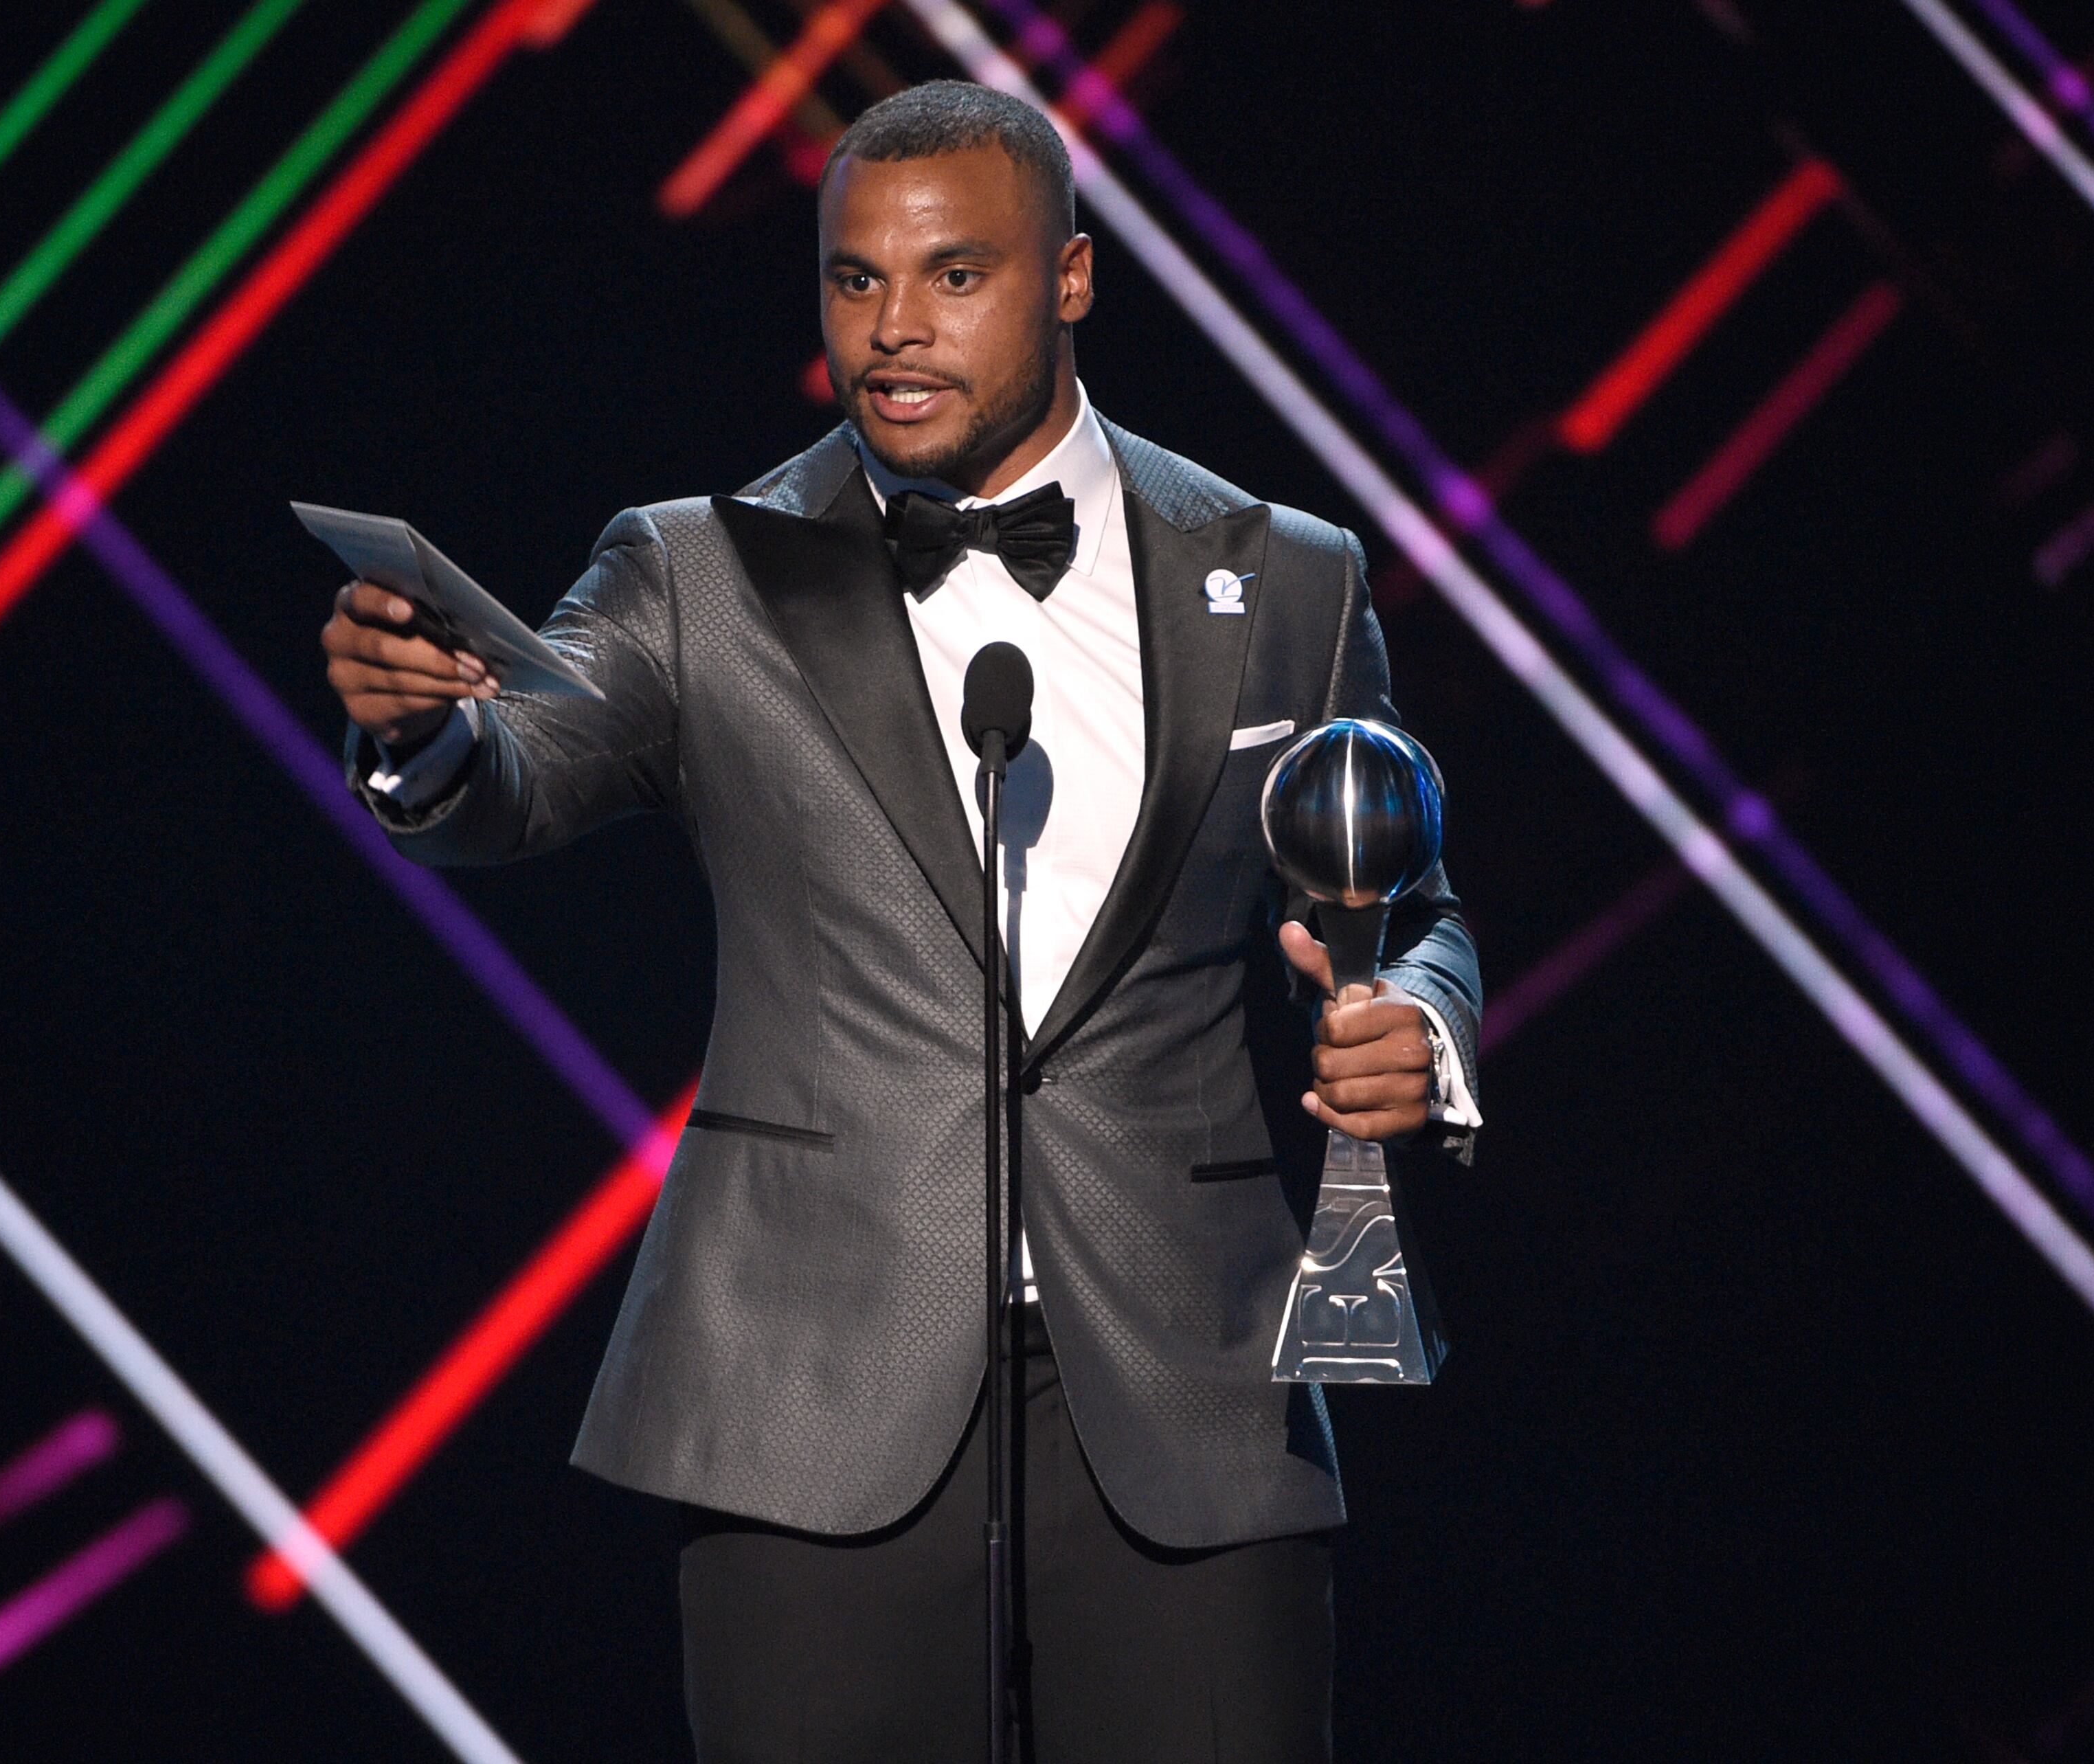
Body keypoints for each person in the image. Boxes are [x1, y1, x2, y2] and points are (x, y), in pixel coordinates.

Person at [322, 79, 1480, 1764]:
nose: (893, 329)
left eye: (953, 276)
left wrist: (1413, 1028)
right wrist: (421, 734)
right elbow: (515, 772)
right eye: (854, 280)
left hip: (1188, 1387)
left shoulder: (1286, 578)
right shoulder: (696, 573)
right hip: (812, 1397)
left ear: (1071, 280)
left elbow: (1405, 895)